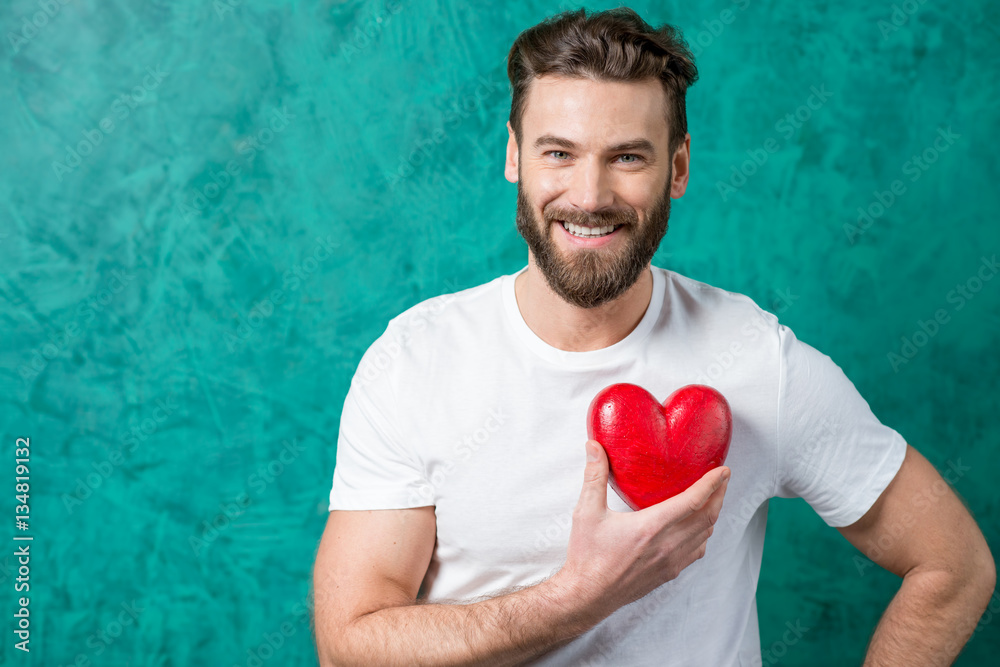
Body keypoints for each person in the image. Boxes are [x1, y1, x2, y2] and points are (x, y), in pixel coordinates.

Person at [311, 7, 995, 666]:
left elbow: (953, 564)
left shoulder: (757, 361)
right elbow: (351, 644)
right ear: (514, 156)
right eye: (559, 152)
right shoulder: (416, 360)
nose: (588, 194)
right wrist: (577, 597)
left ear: (678, 168)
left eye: (628, 157)